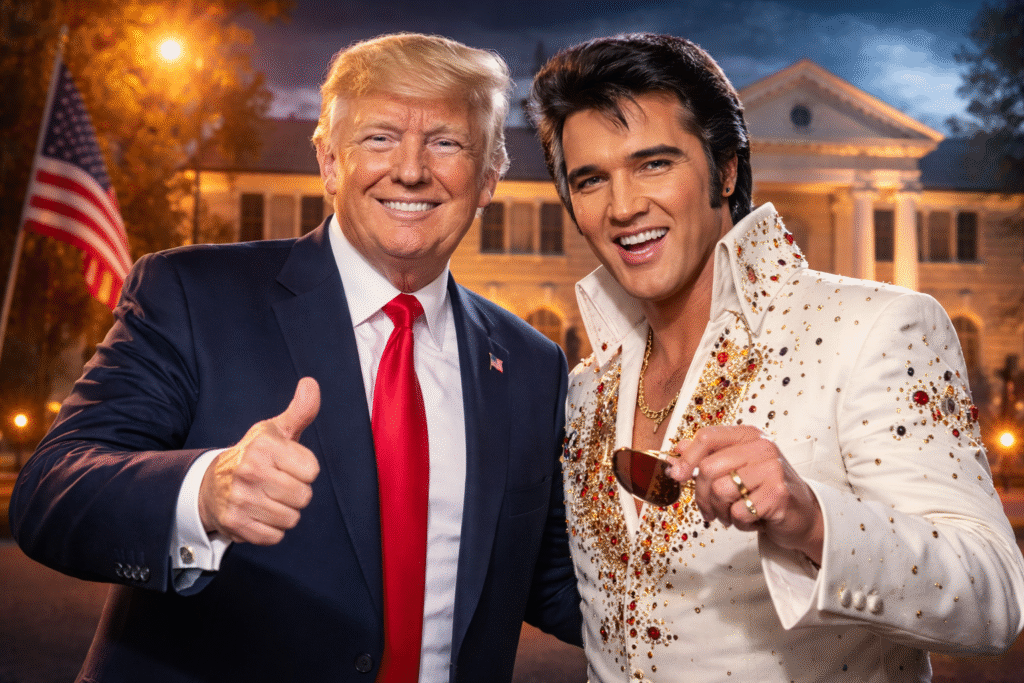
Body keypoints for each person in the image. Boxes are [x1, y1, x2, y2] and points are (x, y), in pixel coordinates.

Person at [11, 33, 581, 683]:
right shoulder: (193, 297)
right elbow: (50, 488)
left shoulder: (533, 365)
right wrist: (205, 491)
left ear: (488, 179)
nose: (412, 169)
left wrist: (710, 565)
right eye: (380, 137)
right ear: (330, 162)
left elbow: (551, 582)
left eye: (447, 142)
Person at [529, 33, 1024, 682]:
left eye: (655, 164)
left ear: (726, 169)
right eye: (591, 179)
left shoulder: (875, 328)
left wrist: (816, 520)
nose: (623, 207)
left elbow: (994, 601)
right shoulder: (587, 390)